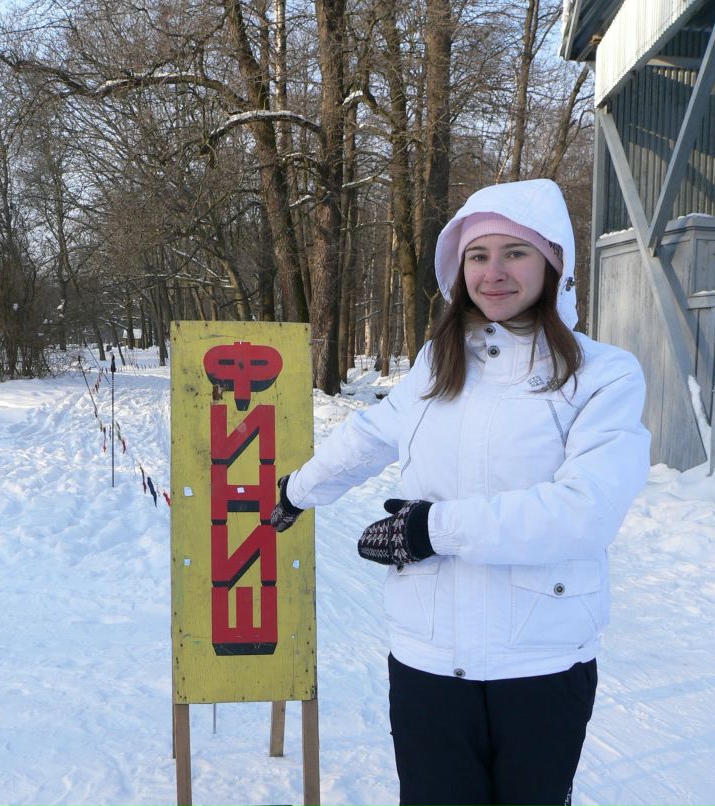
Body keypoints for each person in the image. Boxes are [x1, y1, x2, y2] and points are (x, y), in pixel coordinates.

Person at [270, 178, 651, 806]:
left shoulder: (601, 374)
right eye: (478, 255)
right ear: (458, 268)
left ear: (554, 263)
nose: (494, 272)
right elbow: (371, 433)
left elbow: (584, 513)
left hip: (541, 661)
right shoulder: (436, 362)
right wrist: (299, 490)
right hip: (427, 657)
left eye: (515, 253)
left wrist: (429, 529)